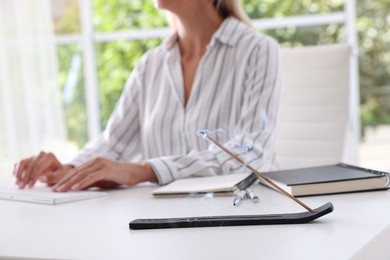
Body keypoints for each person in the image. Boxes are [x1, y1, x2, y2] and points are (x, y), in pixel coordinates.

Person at [13, 0, 282, 192]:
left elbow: (251, 154)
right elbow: (114, 144)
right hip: (162, 222)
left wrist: (145, 170)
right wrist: (71, 170)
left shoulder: (258, 51)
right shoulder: (151, 64)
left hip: (241, 221)